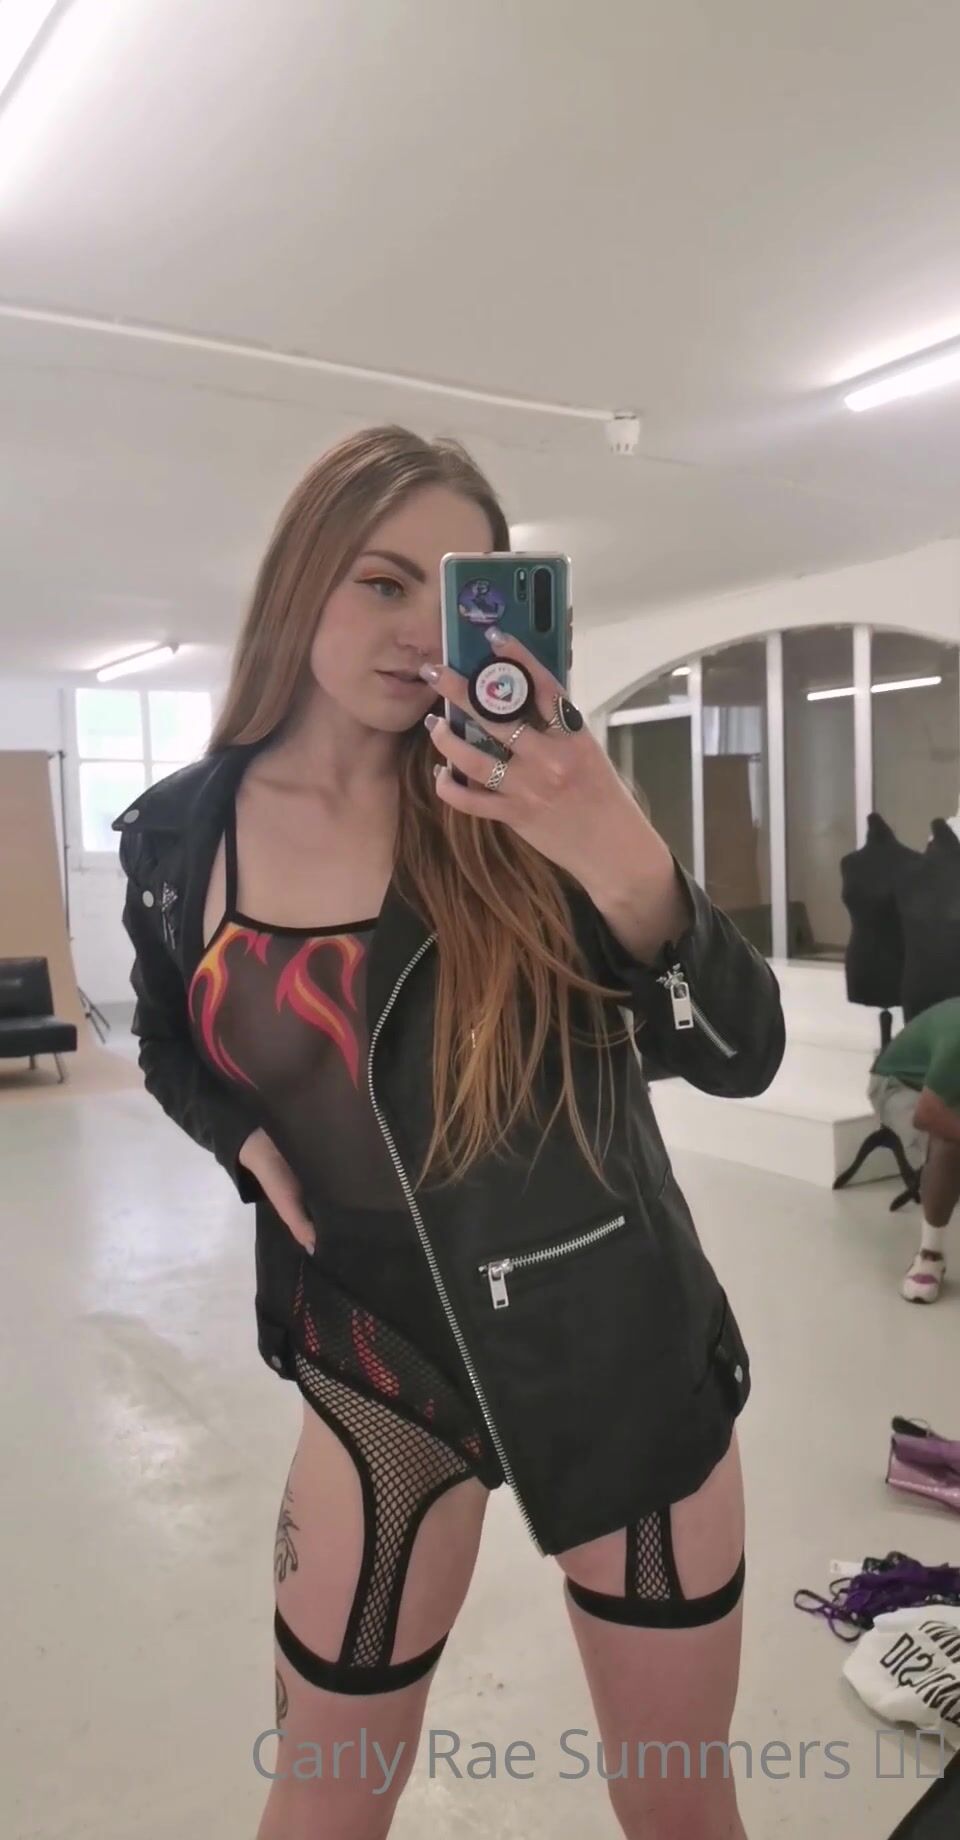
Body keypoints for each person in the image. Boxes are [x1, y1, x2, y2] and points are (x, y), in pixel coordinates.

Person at [114, 425, 785, 1840]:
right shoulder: (181, 838)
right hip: (375, 1367)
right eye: (381, 581)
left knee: (680, 1807)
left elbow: (741, 1055)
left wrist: (618, 847)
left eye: (458, 590)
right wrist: (241, 1139)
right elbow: (169, 1036)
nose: (424, 632)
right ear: (300, 581)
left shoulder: (524, 808)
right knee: (321, 1803)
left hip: (613, 1349)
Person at [872, 996, 960, 1303]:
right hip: (901, 1083)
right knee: (949, 1138)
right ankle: (929, 1256)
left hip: (946, 1083)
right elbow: (928, 1115)